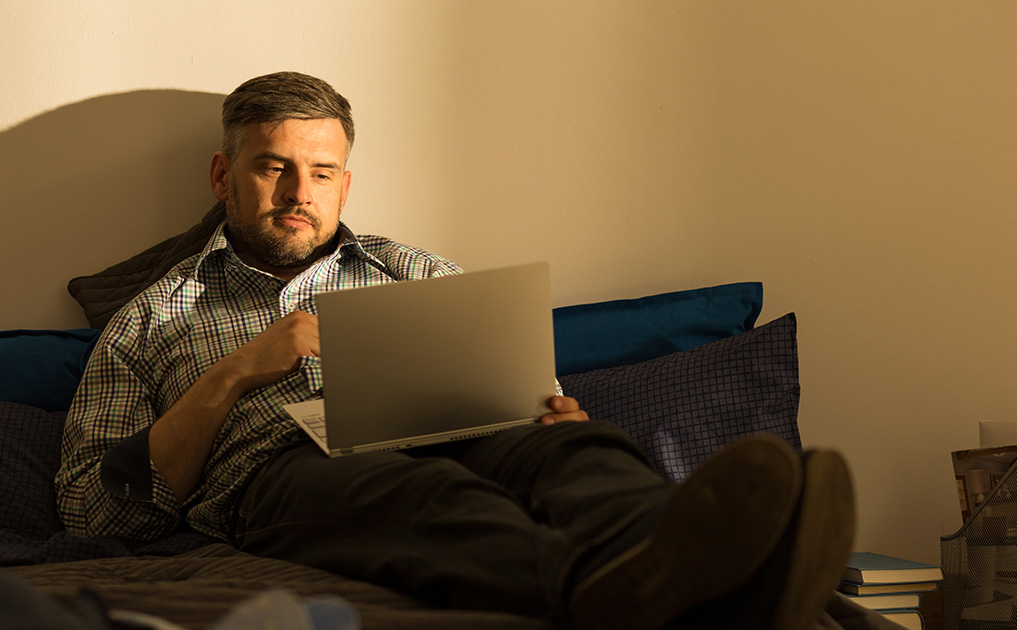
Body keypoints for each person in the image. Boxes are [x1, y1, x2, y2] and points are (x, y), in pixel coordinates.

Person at [56, 72, 858, 629]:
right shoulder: (152, 318)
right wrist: (237, 372)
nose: (301, 193)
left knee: (577, 453)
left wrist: (546, 409)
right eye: (275, 168)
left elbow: (524, 391)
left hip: (468, 427)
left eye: (322, 172)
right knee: (421, 495)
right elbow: (95, 511)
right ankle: (617, 591)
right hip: (284, 471)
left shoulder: (416, 272)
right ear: (223, 175)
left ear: (346, 184)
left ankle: (675, 561)